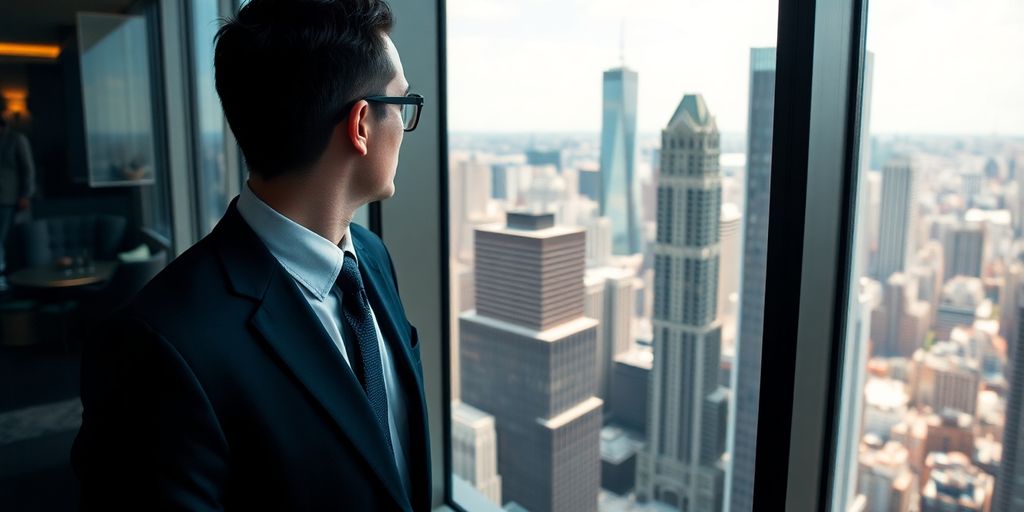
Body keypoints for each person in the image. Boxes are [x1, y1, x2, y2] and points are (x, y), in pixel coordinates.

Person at [71, 0, 429, 509]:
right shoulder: (156, 347)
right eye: (401, 104)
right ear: (361, 126)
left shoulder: (371, 258)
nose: (405, 123)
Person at [0, 115, 35, 290]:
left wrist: (25, 194)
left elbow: (28, 169)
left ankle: (4, 280)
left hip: (8, 197)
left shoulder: (16, 139)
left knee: (5, 238)